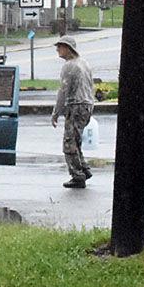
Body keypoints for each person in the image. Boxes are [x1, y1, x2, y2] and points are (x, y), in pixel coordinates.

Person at [51, 35, 95, 188]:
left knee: (69, 142)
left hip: (75, 105)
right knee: (76, 140)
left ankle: (77, 175)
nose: (57, 50)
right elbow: (91, 86)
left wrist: (56, 112)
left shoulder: (69, 66)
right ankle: (84, 168)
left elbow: (63, 91)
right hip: (87, 105)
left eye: (60, 47)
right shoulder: (84, 63)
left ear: (68, 49)